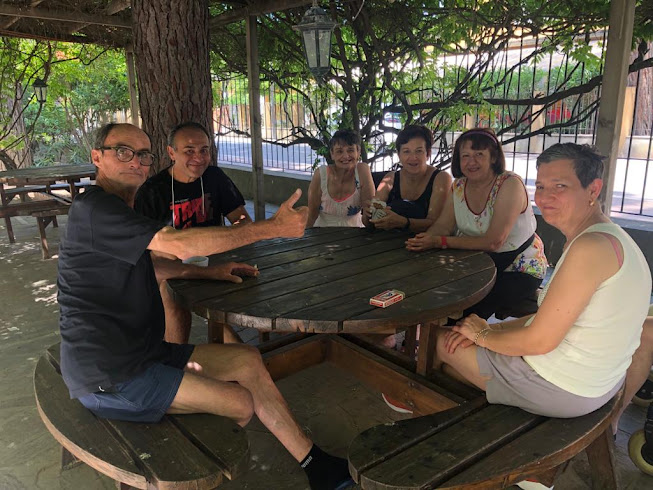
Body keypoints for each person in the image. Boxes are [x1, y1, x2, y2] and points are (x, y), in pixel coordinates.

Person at [57, 122, 354, 490]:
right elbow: (176, 244)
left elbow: (152, 266)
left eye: (143, 154)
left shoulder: (118, 208)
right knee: (240, 403)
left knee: (246, 359)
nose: (135, 161)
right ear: (97, 157)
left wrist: (208, 272)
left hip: (142, 353)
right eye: (123, 151)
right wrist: (272, 228)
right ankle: (178, 465)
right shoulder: (95, 207)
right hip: (110, 374)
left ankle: (316, 465)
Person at [437, 143, 652, 489]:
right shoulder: (612, 238)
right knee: (470, 339)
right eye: (540, 185)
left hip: (564, 389)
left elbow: (539, 341)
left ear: (593, 190)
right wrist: (491, 330)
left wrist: (482, 335)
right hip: (599, 383)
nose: (545, 196)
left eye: (560, 186)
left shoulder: (589, 248)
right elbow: (550, 317)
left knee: (440, 345)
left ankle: (516, 458)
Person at [406, 127, 547, 320]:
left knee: (465, 307)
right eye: (465, 156)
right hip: (475, 264)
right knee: (426, 288)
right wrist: (424, 240)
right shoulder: (459, 185)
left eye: (479, 154)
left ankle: (447, 336)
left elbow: (494, 242)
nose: (471, 162)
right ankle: (430, 334)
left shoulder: (509, 184)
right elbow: (443, 226)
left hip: (518, 268)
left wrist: (439, 242)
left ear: (494, 157)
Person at [134, 121, 251, 344]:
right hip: (173, 268)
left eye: (204, 150)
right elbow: (148, 251)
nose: (198, 157)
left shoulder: (215, 177)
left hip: (214, 260)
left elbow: (243, 220)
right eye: (189, 151)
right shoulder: (152, 192)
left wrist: (237, 232)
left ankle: (239, 349)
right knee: (173, 298)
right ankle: (176, 355)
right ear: (172, 153)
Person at [363, 124, 451, 232]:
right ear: (399, 155)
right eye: (406, 151)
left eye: (419, 151)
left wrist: (404, 222)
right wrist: (368, 214)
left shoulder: (441, 178)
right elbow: (369, 223)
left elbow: (436, 223)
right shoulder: (390, 178)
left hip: (425, 240)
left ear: (428, 153)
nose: (413, 157)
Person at [307, 129, 374, 228]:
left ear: (358, 152)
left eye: (350, 150)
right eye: (339, 151)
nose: (345, 156)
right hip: (322, 232)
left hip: (355, 232)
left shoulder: (362, 171)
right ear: (332, 154)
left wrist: (371, 213)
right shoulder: (321, 174)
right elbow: (312, 215)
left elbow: (369, 216)